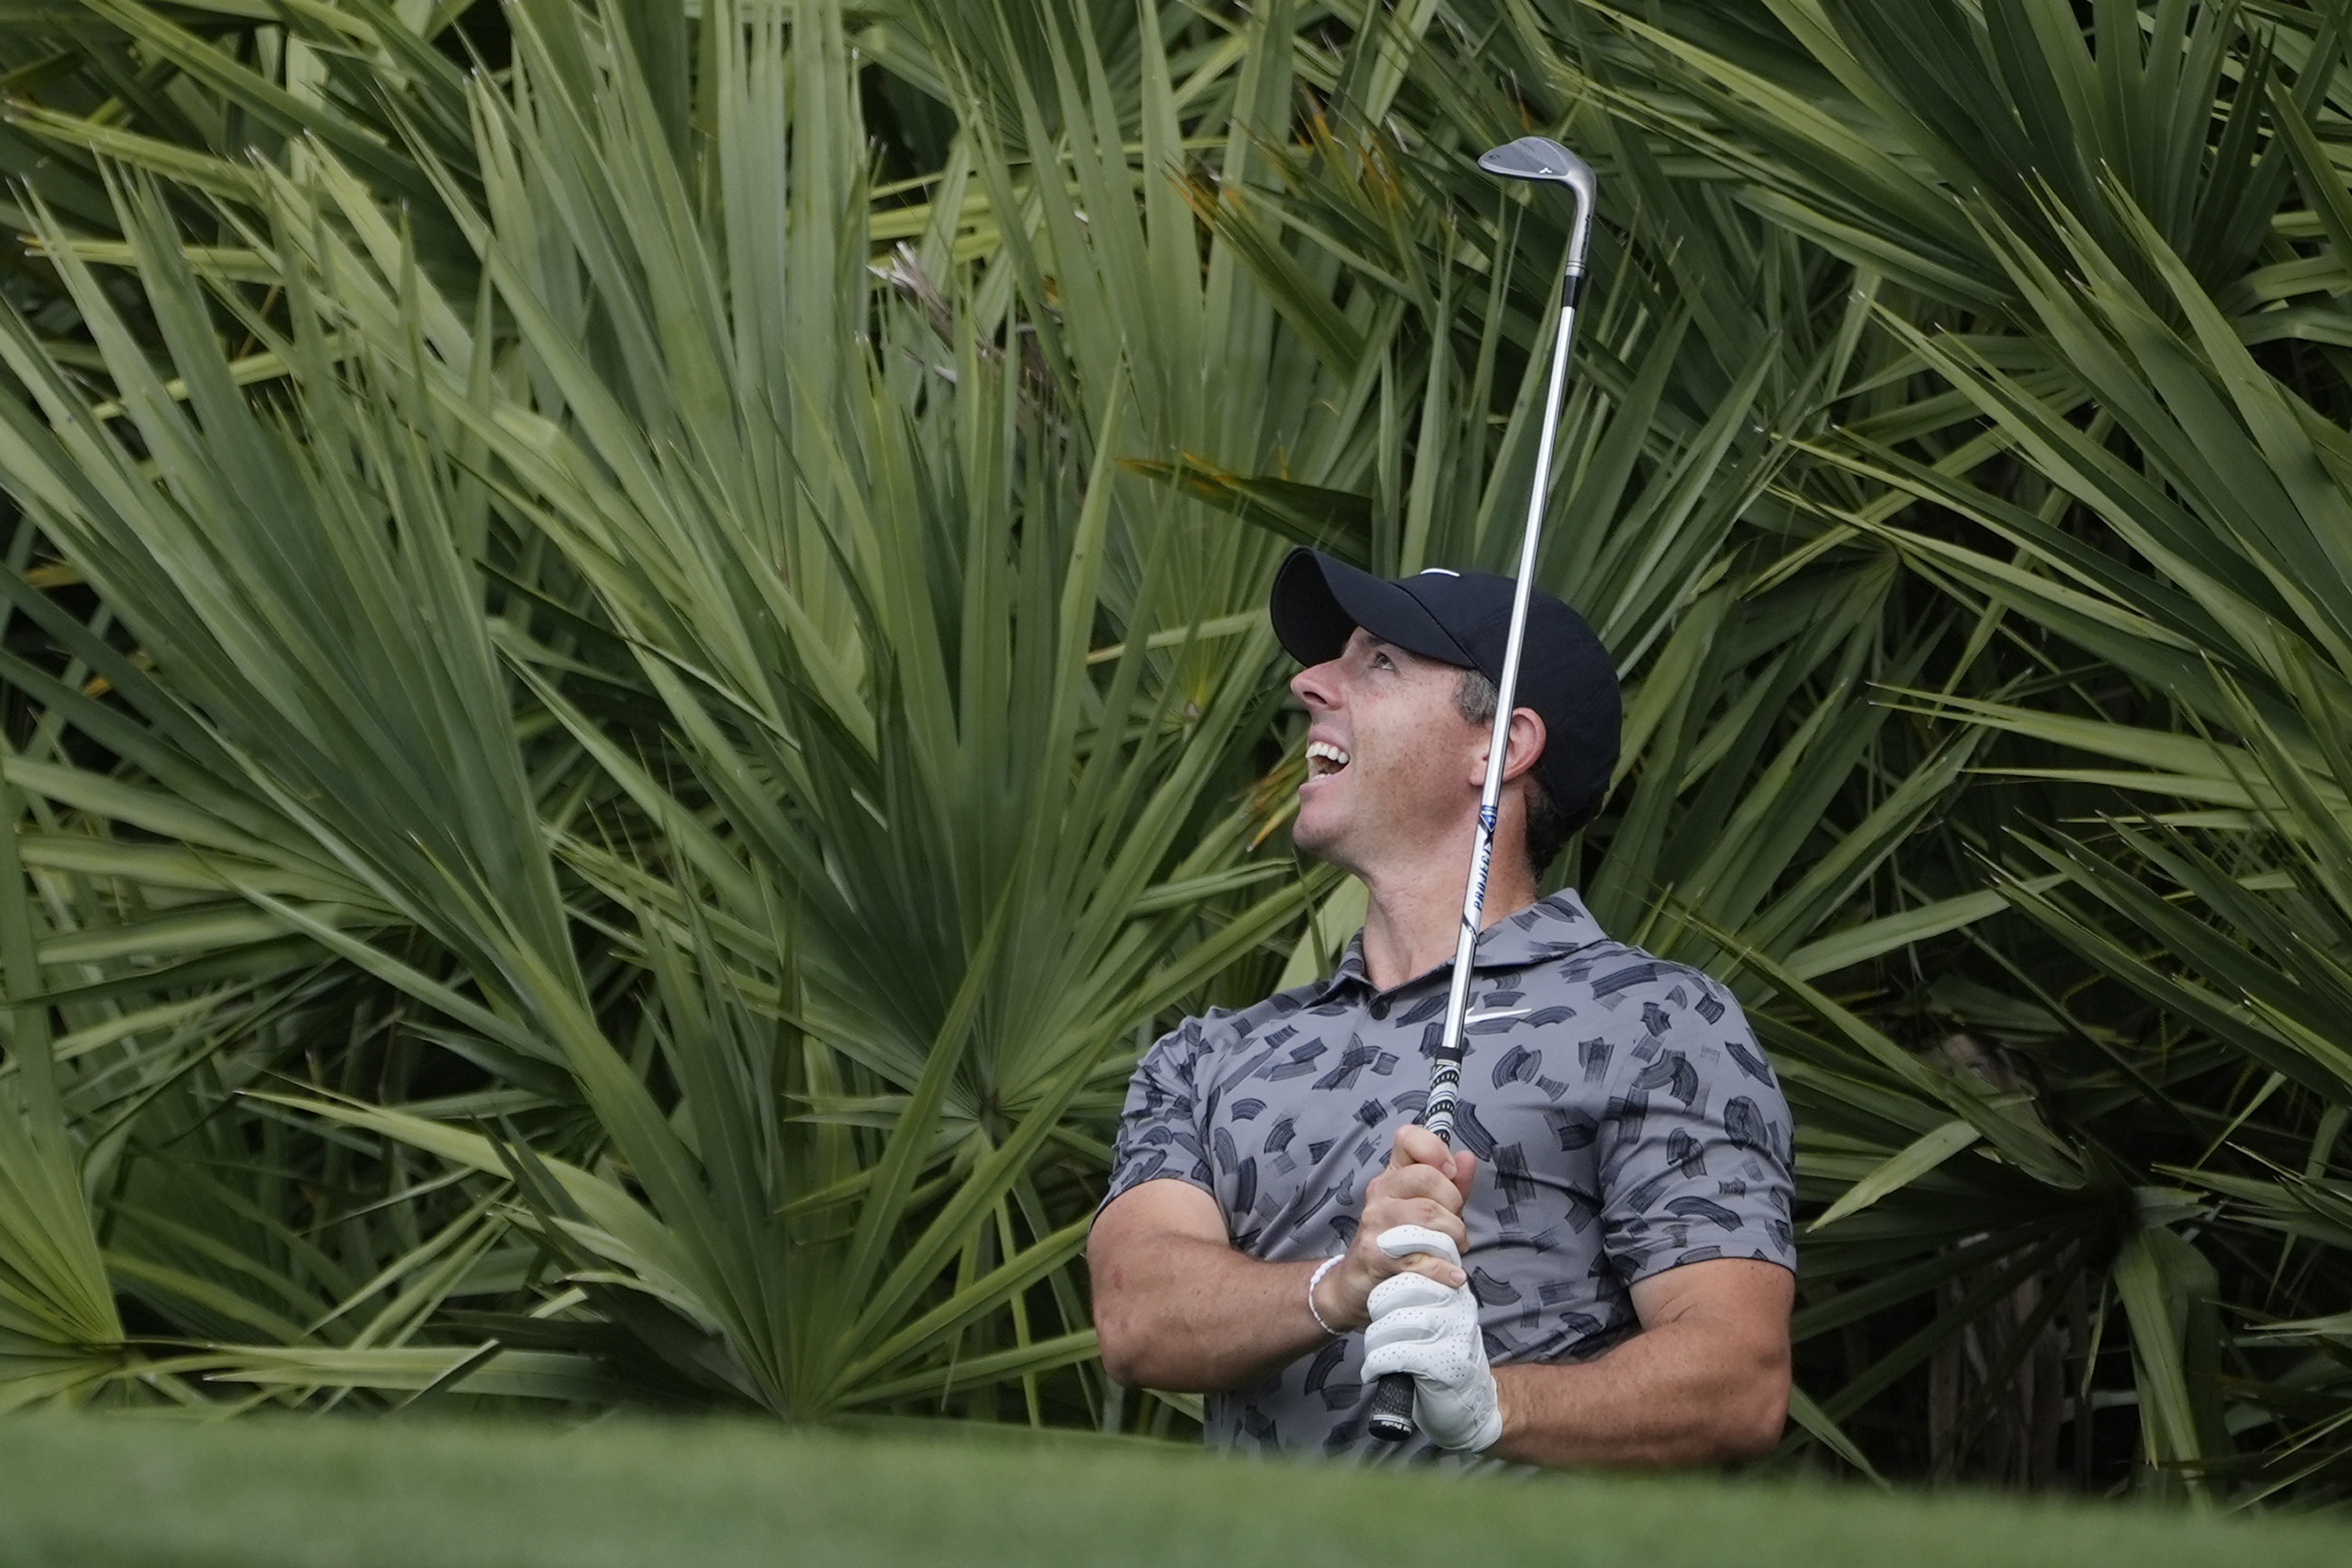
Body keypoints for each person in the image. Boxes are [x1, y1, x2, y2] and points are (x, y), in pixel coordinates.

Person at [1088, 547, 1797, 1464]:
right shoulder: (1210, 1054)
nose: (1307, 683)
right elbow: (1136, 1316)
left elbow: (1735, 1380)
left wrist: (1490, 1405)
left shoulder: (1656, 1023)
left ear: (1499, 747)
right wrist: (1339, 1287)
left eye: (1376, 662)